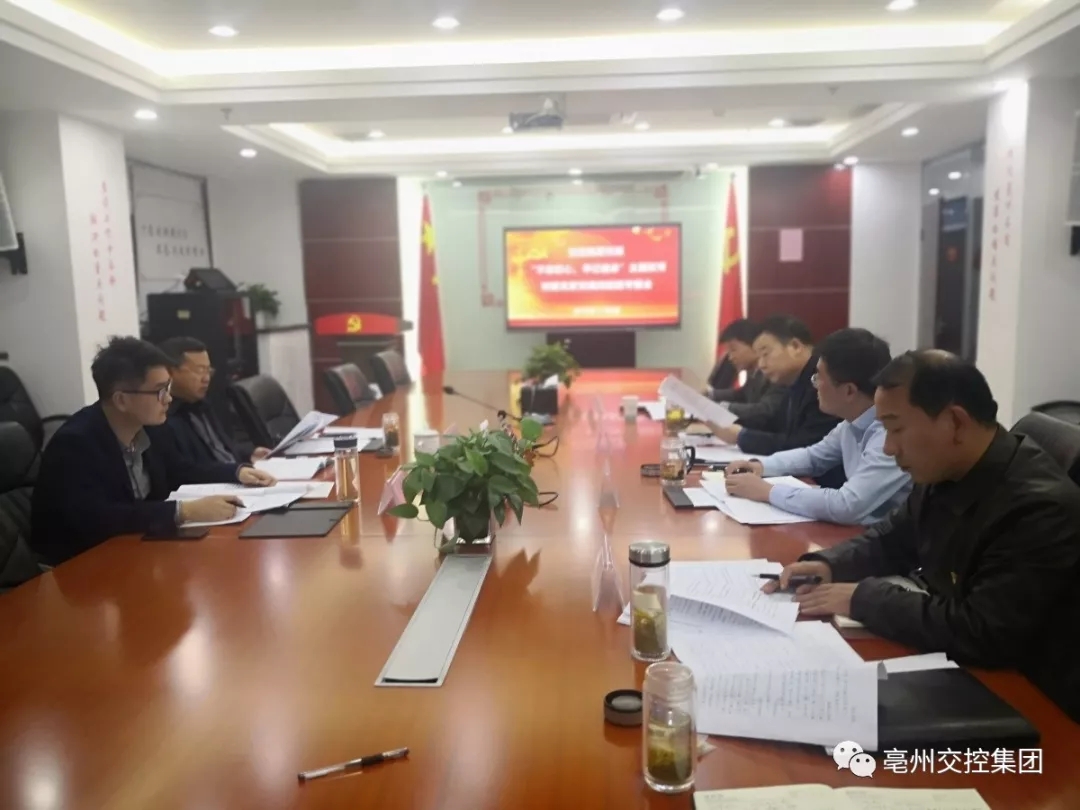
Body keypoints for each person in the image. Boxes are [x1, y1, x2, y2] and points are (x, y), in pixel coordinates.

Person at [766, 350, 1080, 721]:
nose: (888, 447)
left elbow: (982, 631)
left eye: (896, 429)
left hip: (1032, 702)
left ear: (955, 423)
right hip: (963, 667)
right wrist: (828, 564)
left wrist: (865, 598)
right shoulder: (946, 467)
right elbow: (894, 538)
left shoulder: (1037, 508)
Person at [30, 337, 276, 566]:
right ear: (121, 400)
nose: (168, 399)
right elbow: (96, 519)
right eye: (159, 391)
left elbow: (181, 470)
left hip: (140, 551)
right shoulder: (76, 444)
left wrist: (236, 472)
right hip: (81, 567)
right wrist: (184, 511)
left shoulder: (149, 428)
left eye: (168, 388)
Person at [724, 328, 910, 525]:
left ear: (849, 391)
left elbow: (847, 505)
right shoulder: (851, 423)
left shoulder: (889, 435)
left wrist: (768, 491)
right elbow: (813, 457)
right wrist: (760, 466)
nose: (815, 385)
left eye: (818, 377)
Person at [708, 315, 840, 458]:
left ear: (795, 346)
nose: (761, 365)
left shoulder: (824, 380)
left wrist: (741, 436)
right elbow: (774, 426)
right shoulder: (793, 381)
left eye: (765, 354)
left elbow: (806, 446)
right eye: (759, 357)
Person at [151, 336, 270, 465]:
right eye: (199, 371)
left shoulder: (201, 405)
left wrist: (249, 454)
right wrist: (236, 471)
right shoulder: (162, 417)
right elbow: (186, 470)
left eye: (208, 371)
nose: (206, 378)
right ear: (170, 372)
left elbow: (218, 449)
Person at [706, 319, 786, 428]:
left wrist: (724, 407)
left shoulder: (775, 373)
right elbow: (742, 394)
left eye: (733, 350)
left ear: (754, 345)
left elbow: (765, 410)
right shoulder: (753, 372)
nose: (730, 357)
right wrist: (710, 394)